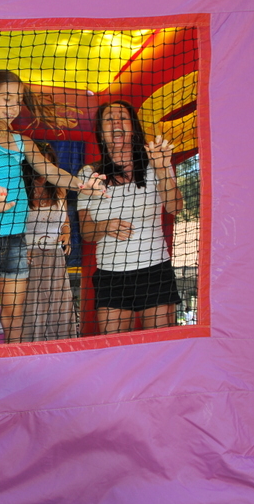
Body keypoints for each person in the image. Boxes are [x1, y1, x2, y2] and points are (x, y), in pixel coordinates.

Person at [0, 69, 106, 344]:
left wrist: (83, 185)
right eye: (6, 99)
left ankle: (12, 363)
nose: (13, 107)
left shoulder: (22, 142)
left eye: (17, 101)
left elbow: (51, 172)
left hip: (15, 238)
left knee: (14, 315)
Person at [77, 100, 184, 334]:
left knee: (160, 345)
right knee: (113, 346)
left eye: (122, 118)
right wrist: (104, 226)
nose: (116, 122)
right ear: (101, 132)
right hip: (110, 273)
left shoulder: (155, 165)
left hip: (154, 270)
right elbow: (86, 232)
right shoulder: (89, 173)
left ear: (133, 128)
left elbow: (175, 207)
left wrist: (162, 169)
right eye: (109, 119)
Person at [21, 142, 79, 341]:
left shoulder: (59, 188)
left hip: (55, 257)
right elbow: (10, 227)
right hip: (28, 259)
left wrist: (66, 234)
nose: (44, 169)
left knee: (59, 308)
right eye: (40, 163)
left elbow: (65, 220)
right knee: (32, 310)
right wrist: (20, 250)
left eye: (49, 163)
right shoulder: (20, 190)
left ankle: (60, 350)